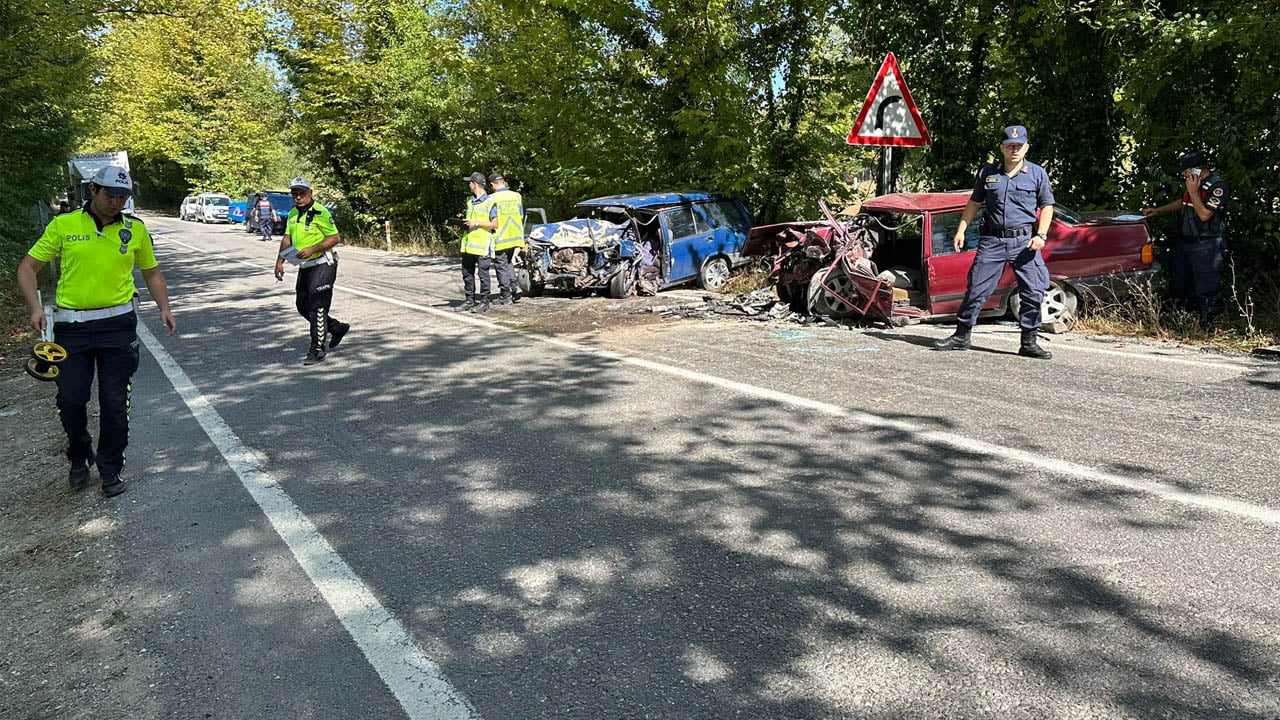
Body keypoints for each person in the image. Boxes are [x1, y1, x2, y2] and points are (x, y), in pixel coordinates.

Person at [15, 165, 177, 497]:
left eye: (123, 197)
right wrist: (35, 307)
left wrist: (164, 307)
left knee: (115, 403)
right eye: (110, 195)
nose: (116, 202)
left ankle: (110, 468)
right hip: (71, 329)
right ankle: (79, 456)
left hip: (118, 327)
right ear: (92, 190)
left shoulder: (135, 230)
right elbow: (28, 268)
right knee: (71, 400)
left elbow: (152, 273)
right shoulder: (64, 225)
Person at [934, 125, 1055, 359]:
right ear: (1002, 148)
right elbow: (973, 203)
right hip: (993, 241)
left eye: (1019, 146)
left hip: (1024, 242)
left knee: (1033, 292)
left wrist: (1041, 235)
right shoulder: (988, 174)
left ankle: (1029, 342)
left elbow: (1046, 206)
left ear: (1026, 147)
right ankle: (961, 336)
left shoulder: (1037, 174)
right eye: (1010, 146)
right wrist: (961, 230)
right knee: (977, 289)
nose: (1014, 151)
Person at [1142, 151, 1229, 322]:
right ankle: (1178, 321)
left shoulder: (1217, 187)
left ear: (1198, 169)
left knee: (1206, 289)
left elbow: (1204, 215)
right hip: (1186, 243)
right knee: (1179, 285)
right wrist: (1158, 210)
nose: (1183, 174)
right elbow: (1184, 203)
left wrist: (1194, 192)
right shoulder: (1193, 184)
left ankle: (1207, 326)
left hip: (1206, 245)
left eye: (1186, 170)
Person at [273, 178, 349, 365]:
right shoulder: (292, 213)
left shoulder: (320, 212)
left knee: (318, 308)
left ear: (310, 193)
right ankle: (337, 328)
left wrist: (313, 249)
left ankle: (317, 349)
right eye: (295, 194)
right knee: (303, 306)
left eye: (302, 194)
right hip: (304, 265)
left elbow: (335, 238)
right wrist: (279, 261)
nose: (298, 197)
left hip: (323, 263)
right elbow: (287, 238)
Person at [458, 171, 497, 313]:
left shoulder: (490, 202)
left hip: (482, 246)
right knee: (467, 274)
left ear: (475, 184)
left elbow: (495, 224)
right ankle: (469, 300)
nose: (469, 185)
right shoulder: (470, 201)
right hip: (468, 245)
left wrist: (477, 223)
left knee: (483, 275)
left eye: (470, 182)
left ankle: (484, 302)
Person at [487, 173, 525, 304]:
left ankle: (506, 294)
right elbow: (520, 216)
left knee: (501, 265)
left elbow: (492, 218)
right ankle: (515, 287)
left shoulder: (492, 198)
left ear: (493, 185)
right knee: (508, 262)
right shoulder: (516, 196)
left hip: (501, 236)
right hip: (515, 236)